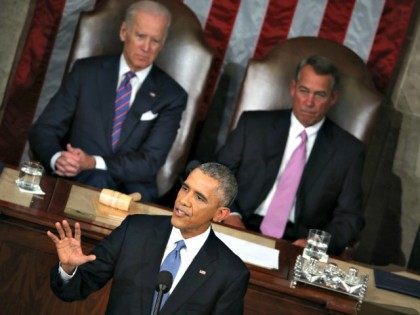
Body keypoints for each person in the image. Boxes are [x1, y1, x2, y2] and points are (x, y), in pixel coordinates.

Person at [28, 1, 187, 202]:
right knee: (95, 181)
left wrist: (94, 162)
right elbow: (43, 129)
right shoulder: (85, 72)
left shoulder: (171, 95)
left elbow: (150, 161)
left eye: (155, 41)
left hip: (131, 192)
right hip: (77, 181)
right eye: (140, 36)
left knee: (101, 179)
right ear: (123, 32)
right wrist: (59, 159)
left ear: (162, 44)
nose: (146, 47)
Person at [48, 162, 249, 314]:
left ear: (220, 214)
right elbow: (74, 289)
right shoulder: (134, 230)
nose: (184, 201)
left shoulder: (230, 273)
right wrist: (68, 269)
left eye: (199, 197)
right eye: (185, 188)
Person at [216, 55, 365, 255]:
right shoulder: (253, 126)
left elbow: (350, 217)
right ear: (293, 88)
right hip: (240, 224)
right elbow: (217, 174)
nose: (309, 102)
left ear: (333, 98)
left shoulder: (349, 151)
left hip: (298, 243)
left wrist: (315, 244)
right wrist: (230, 214)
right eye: (304, 91)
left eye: (320, 95)